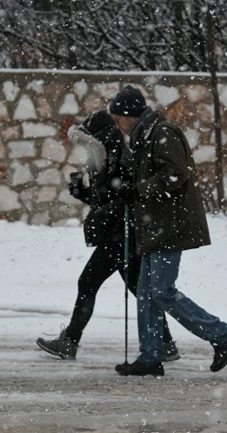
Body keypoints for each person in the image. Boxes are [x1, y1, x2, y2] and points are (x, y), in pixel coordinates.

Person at [109, 86, 227, 377]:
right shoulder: (144, 136)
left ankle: (221, 334)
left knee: (162, 291)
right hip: (154, 226)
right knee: (146, 293)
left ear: (132, 115)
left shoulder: (163, 133)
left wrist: (139, 189)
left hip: (170, 225)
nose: (117, 124)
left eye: (119, 118)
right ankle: (151, 356)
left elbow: (175, 173)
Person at [36, 110, 180, 362]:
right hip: (120, 236)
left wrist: (104, 210)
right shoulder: (107, 158)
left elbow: (125, 200)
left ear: (97, 140)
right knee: (140, 290)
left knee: (88, 282)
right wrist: (81, 191)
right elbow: (105, 199)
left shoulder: (118, 159)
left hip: (120, 237)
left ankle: (70, 341)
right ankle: (166, 344)